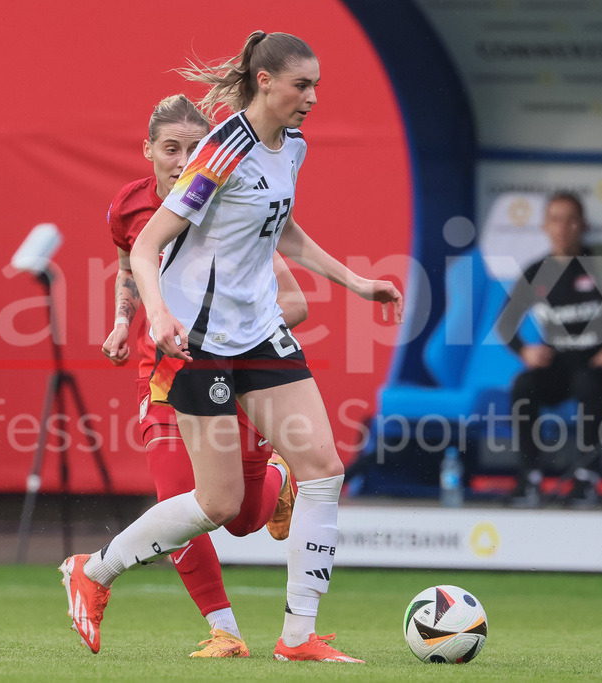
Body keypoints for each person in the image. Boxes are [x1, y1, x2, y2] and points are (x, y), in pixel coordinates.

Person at [61, 31, 402, 663]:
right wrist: (157, 315)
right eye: (303, 85)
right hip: (200, 340)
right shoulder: (222, 150)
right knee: (219, 506)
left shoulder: (291, 146)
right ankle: (95, 570)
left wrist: (357, 282)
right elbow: (144, 246)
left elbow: (285, 231)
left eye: (317, 86)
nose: (313, 98)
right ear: (266, 82)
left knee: (323, 471)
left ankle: (298, 637)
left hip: (260, 333)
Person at [100, 94, 307, 657]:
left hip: (230, 377)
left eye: (195, 147)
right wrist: (124, 322)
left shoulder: (234, 205)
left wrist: (225, 329)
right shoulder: (130, 207)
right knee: (176, 501)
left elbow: (295, 303)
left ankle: (279, 483)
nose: (184, 158)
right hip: (164, 379)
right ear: (148, 151)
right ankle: (226, 632)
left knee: (236, 519)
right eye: (171, 148)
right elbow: (128, 264)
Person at [497, 192, 602, 508]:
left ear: (583, 225)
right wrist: (526, 351)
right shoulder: (536, 272)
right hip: (560, 364)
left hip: (601, 366)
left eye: (571, 219)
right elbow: (505, 325)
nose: (563, 227)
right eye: (556, 219)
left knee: (589, 383)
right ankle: (529, 478)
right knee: (524, 385)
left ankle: (586, 479)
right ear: (545, 226)